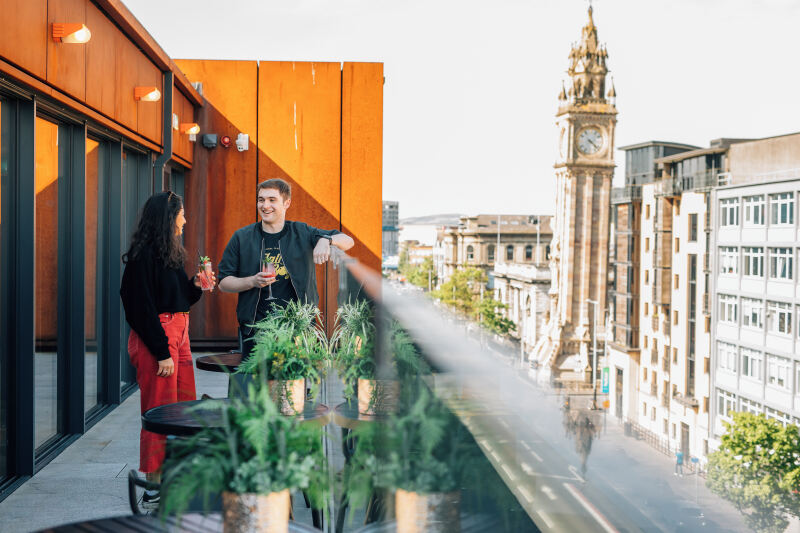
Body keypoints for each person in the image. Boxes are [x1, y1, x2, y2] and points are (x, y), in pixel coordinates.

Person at [120, 191, 214, 508]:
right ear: (167, 217)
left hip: (180, 334)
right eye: (181, 214)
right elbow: (138, 308)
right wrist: (161, 351)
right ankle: (154, 486)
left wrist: (196, 287)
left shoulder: (169, 254)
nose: (185, 220)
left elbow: (178, 299)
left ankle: (179, 477)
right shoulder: (142, 256)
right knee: (160, 411)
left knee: (184, 410)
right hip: (159, 339)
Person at [218, 178, 354, 358]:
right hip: (255, 330)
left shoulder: (302, 232)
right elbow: (223, 282)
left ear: (286, 203)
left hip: (299, 329)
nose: (265, 205)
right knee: (257, 385)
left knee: (294, 384)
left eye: (272, 200)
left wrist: (326, 240)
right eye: (261, 199)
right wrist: (252, 281)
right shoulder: (242, 237)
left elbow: (348, 241)